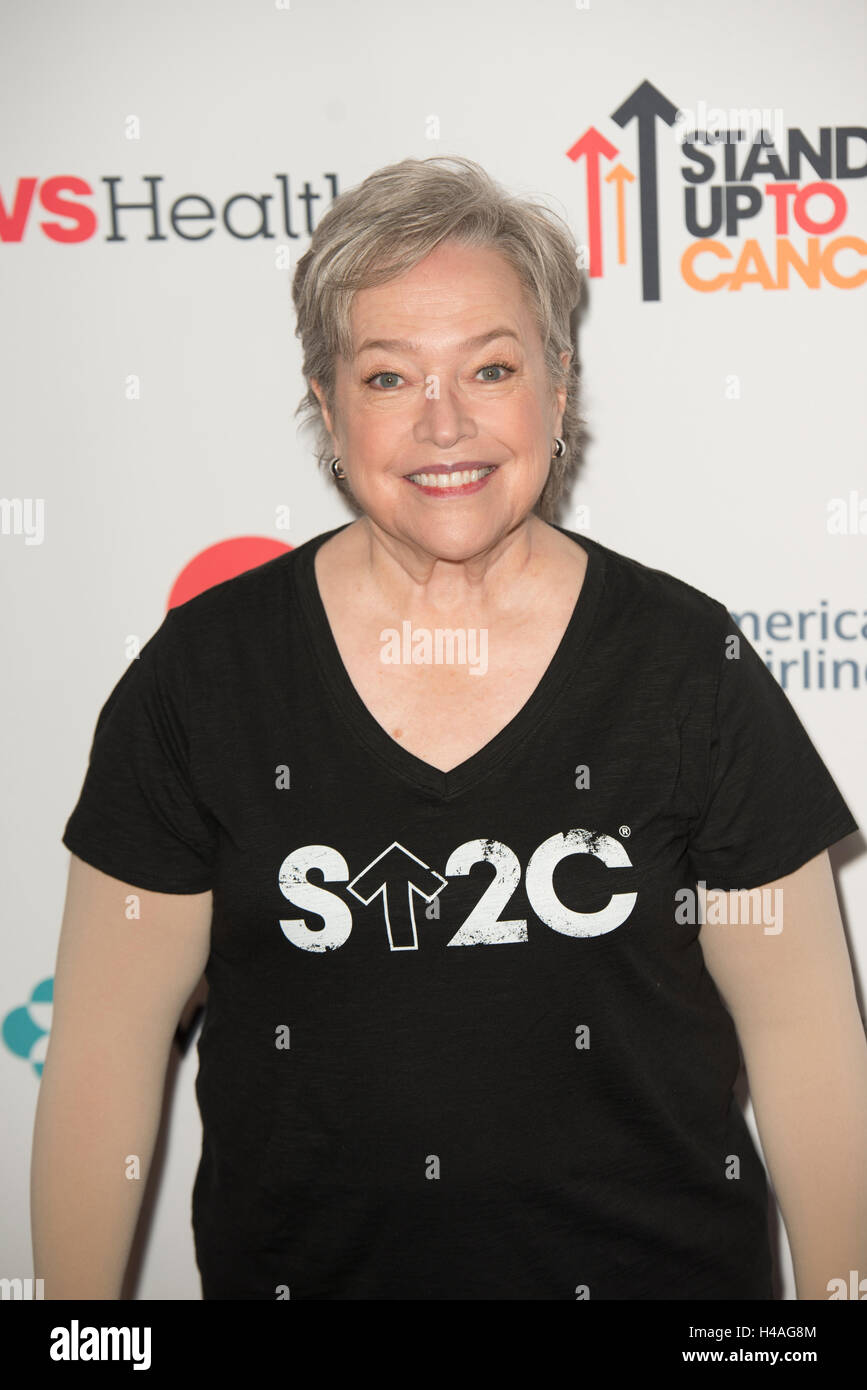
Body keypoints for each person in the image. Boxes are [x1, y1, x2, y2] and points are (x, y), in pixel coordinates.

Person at [34, 155, 866, 1301]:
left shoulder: (688, 665)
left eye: (490, 367)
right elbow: (100, 1061)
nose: (445, 424)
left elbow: (811, 1055)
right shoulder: (201, 680)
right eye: (387, 377)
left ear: (558, 387)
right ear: (326, 405)